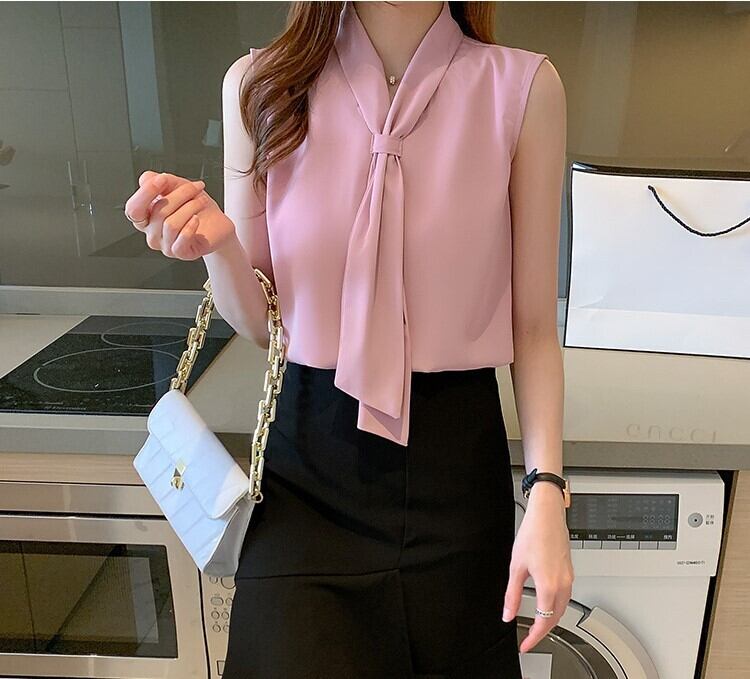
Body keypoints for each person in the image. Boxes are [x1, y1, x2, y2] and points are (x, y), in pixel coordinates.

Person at [124, 2, 572, 677]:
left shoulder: (525, 89)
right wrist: (218, 245)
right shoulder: (260, 85)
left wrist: (547, 491)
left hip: (458, 473)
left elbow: (533, 326)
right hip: (307, 476)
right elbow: (262, 323)